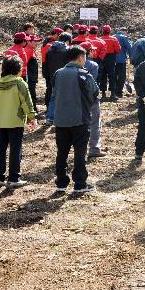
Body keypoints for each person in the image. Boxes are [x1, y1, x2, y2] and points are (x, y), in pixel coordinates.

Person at [51, 45, 98, 193]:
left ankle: (61, 182)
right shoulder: (83, 74)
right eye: (85, 57)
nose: (85, 60)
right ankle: (80, 183)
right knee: (79, 152)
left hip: (60, 119)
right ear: (79, 57)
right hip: (79, 119)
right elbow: (94, 92)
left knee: (62, 152)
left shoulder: (58, 73)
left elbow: (54, 92)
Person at [0, 55, 36, 189]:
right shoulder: (19, 83)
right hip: (15, 121)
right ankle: (14, 178)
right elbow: (27, 102)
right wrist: (31, 117)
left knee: (0, 150)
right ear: (18, 69)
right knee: (15, 150)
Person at [79, 43, 105, 160]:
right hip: (91, 99)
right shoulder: (93, 65)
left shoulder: (72, 65)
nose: (94, 52)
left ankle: (80, 149)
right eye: (92, 50)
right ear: (88, 52)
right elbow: (92, 82)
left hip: (77, 98)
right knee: (95, 123)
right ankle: (94, 148)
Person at [115, 28, 132, 97]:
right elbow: (130, 47)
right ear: (125, 32)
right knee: (122, 76)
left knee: (114, 75)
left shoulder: (113, 37)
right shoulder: (124, 38)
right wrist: (131, 56)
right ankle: (119, 92)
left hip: (112, 60)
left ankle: (114, 90)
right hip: (121, 60)